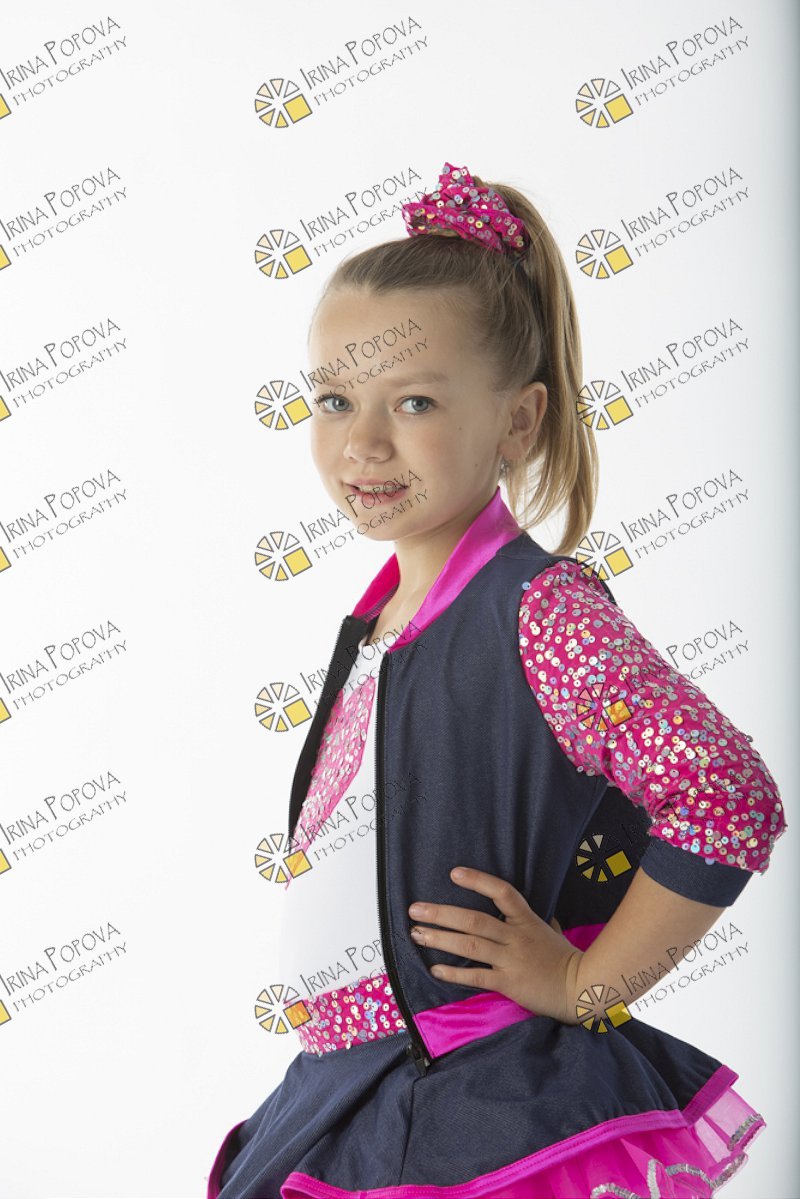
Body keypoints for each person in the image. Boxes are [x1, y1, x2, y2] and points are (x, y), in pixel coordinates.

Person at [206, 162, 787, 1199]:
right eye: (334, 400)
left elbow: (723, 792)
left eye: (414, 401)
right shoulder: (377, 624)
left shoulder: (536, 612)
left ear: (517, 423)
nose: (362, 442)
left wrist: (585, 981)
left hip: (475, 1100)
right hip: (349, 1092)